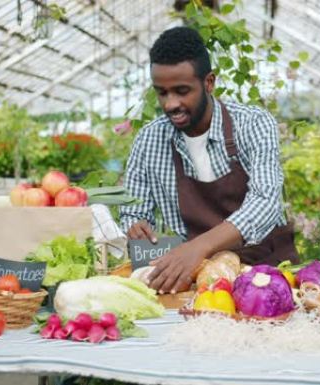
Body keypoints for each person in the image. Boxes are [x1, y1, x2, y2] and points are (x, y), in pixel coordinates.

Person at [120, 26, 298, 294]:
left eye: (182, 91)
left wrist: (197, 247)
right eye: (162, 92)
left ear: (209, 83)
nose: (170, 104)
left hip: (265, 275)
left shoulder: (253, 124)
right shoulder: (149, 140)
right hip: (199, 280)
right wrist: (136, 226)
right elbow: (133, 210)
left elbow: (266, 202)